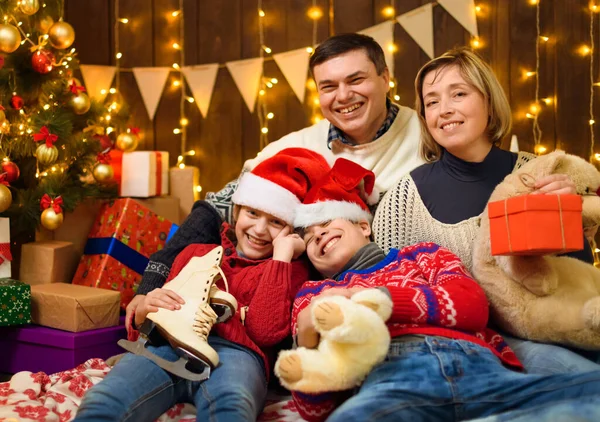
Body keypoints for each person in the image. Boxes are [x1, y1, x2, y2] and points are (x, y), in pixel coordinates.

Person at [126, 32, 425, 326]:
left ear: (385, 78)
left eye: (356, 80)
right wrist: (151, 285)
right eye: (329, 86)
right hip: (309, 305)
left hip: (403, 290)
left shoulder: (426, 136)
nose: (343, 95)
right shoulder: (294, 148)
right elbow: (214, 211)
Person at [283, 159, 600, 422]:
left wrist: (381, 301)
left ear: (363, 225)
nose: (320, 235)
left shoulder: (421, 255)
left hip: (479, 368)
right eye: (309, 238)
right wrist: (308, 341)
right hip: (391, 381)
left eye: (327, 223)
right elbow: (314, 411)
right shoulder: (313, 293)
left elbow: (473, 306)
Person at [371, 46, 600, 374]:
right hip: (453, 348)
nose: (444, 110)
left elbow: (577, 281)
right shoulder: (402, 200)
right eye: (432, 102)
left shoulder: (539, 174)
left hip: (547, 338)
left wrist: (569, 217)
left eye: (458, 94)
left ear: (489, 103)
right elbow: (387, 286)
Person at [74, 148, 324, 421]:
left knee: (231, 407)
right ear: (236, 212)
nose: (260, 230)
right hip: (166, 344)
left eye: (276, 221)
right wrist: (147, 307)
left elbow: (264, 332)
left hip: (237, 354)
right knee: (103, 401)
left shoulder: (289, 269)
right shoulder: (195, 253)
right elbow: (142, 332)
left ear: (291, 231)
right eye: (252, 213)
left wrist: (282, 257)